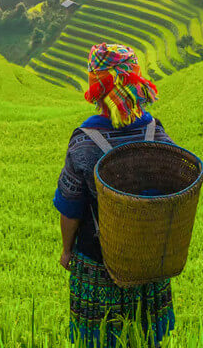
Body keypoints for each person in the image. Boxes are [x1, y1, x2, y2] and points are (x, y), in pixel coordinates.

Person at [53, 43, 176, 347]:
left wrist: (67, 252)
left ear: (96, 86)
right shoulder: (155, 132)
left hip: (98, 261)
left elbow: (70, 207)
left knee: (101, 338)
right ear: (135, 82)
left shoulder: (84, 143)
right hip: (147, 260)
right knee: (144, 338)